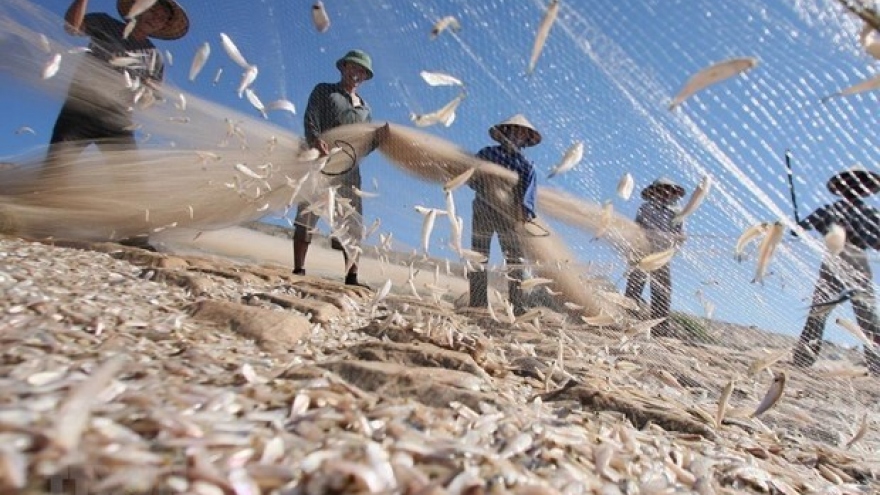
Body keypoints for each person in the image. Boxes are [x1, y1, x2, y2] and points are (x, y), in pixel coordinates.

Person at [45, 0, 189, 167]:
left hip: (118, 122)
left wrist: (148, 91)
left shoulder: (155, 57)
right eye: (153, 11)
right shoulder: (106, 23)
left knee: (128, 180)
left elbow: (148, 102)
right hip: (80, 110)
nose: (155, 18)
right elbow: (72, 28)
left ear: (163, 26)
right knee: (56, 167)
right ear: (139, 8)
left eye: (162, 18)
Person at [292, 50, 375, 287]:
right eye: (354, 68)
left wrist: (376, 141)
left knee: (352, 221)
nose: (357, 74)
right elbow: (310, 118)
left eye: (362, 71)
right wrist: (315, 140)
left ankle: (352, 276)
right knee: (307, 213)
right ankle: (298, 269)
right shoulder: (324, 90)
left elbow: (364, 144)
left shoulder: (366, 110)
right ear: (343, 67)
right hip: (320, 162)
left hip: (350, 171)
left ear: (365, 77)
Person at [791, 166, 880, 374]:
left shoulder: (859, 213)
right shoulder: (834, 211)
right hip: (839, 264)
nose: (855, 188)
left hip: (852, 264)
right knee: (823, 312)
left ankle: (804, 359)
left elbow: (799, 229)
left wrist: (798, 225)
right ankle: (804, 360)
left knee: (862, 316)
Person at [468, 114, 541, 317]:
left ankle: (517, 306)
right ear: (504, 133)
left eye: (521, 133)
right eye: (513, 131)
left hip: (508, 216)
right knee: (478, 256)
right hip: (483, 208)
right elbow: (471, 177)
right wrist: (482, 182)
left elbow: (529, 193)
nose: (516, 136)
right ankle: (478, 302)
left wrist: (525, 211)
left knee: (515, 259)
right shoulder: (486, 154)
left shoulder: (526, 165)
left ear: (525, 139)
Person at [624, 178, 687, 336]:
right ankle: (626, 322)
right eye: (661, 189)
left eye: (669, 190)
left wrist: (675, 240)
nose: (665, 193)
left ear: (673, 193)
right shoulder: (645, 208)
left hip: (661, 256)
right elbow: (636, 228)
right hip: (642, 253)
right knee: (634, 288)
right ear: (654, 192)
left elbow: (680, 235)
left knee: (662, 292)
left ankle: (660, 330)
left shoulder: (678, 212)